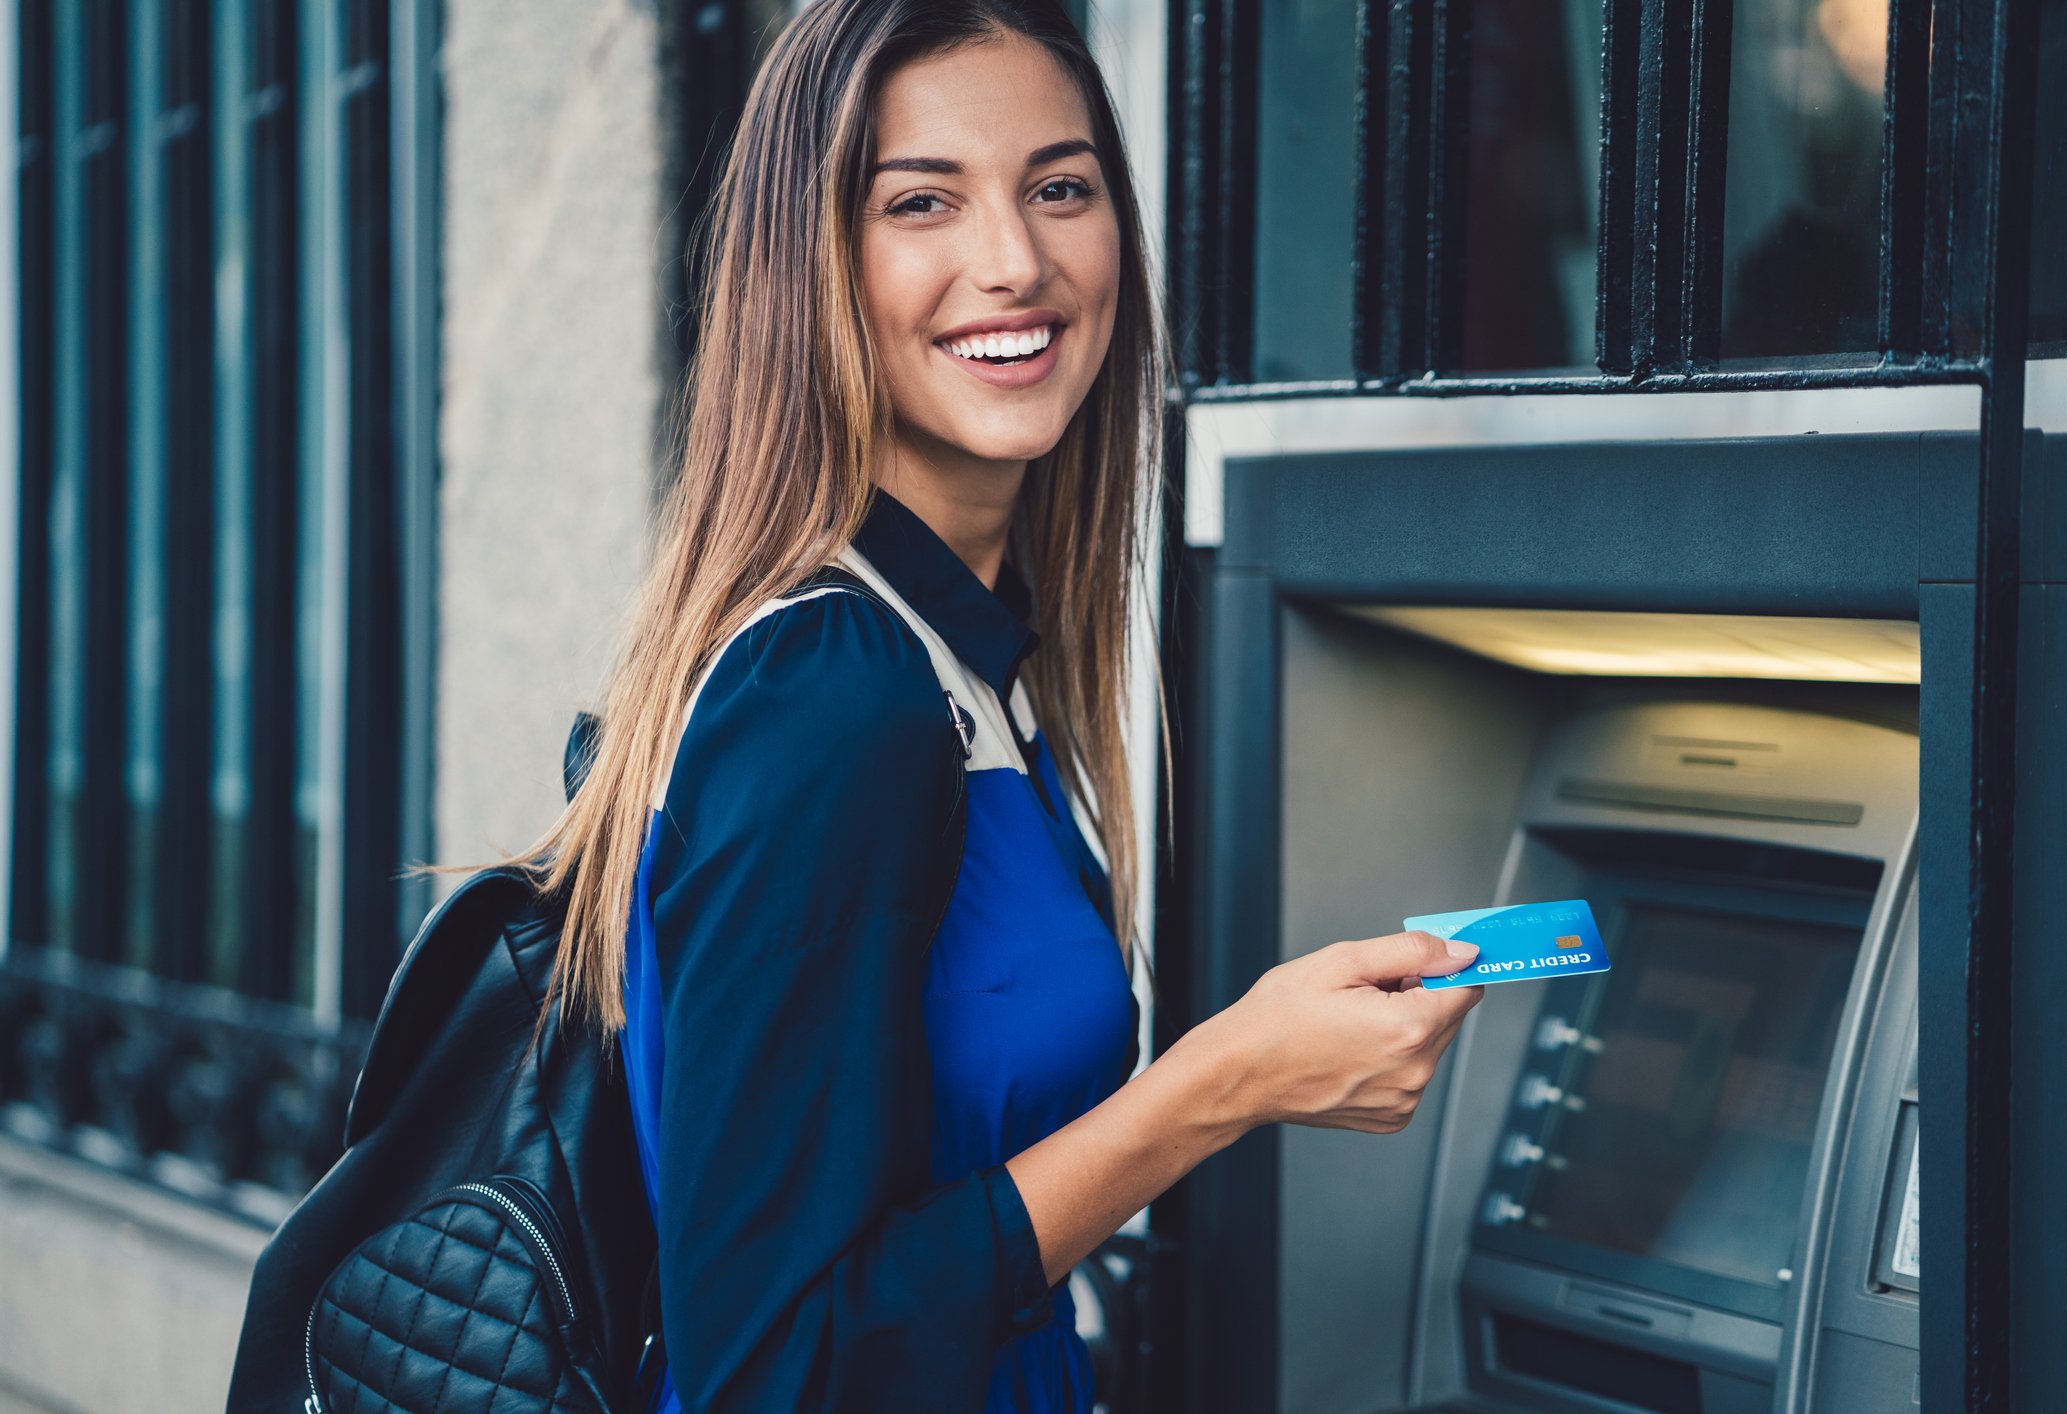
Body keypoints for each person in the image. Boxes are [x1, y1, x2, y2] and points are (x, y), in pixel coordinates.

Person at [499, 1, 1487, 1410]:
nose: (1014, 262)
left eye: (1060, 187)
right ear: (813, 264)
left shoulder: (956, 654)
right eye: (923, 203)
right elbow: (779, 1367)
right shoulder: (834, 697)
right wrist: (1218, 1086)